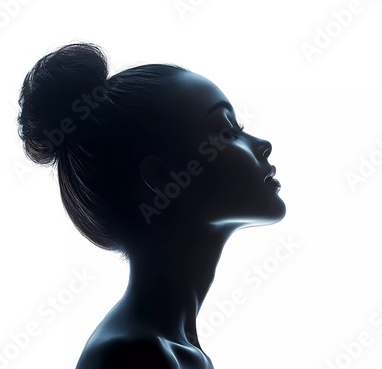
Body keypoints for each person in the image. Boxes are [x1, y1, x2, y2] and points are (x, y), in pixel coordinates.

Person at [17, 42, 286, 369]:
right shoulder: (132, 354)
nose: (263, 145)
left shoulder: (172, 350)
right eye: (224, 132)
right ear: (161, 178)